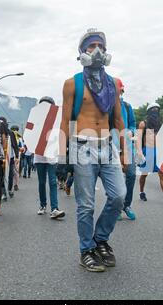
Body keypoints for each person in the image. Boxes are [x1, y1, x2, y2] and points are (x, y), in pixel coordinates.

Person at [59, 28, 126, 272]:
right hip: (81, 146)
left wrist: (125, 152)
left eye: (102, 46)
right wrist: (62, 156)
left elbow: (119, 120)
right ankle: (86, 249)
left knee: (119, 196)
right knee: (86, 205)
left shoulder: (113, 84)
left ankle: (101, 239)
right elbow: (65, 121)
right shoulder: (71, 84)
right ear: (82, 51)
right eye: (92, 46)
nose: (98, 51)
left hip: (107, 146)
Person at [34, 96, 65, 219]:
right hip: (40, 156)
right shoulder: (35, 119)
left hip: (52, 155)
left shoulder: (57, 119)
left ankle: (54, 209)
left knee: (52, 182)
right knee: (42, 182)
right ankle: (42, 205)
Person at [137, 103, 163, 204]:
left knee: (162, 173)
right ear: (149, 112)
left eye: (157, 109)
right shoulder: (143, 124)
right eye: (153, 109)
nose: (155, 111)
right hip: (147, 150)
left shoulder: (161, 125)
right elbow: (138, 139)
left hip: (159, 151)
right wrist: (139, 153)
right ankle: (141, 191)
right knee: (144, 174)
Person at [115, 79, 137, 221]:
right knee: (114, 178)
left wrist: (132, 132)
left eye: (120, 91)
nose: (119, 94)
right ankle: (115, 207)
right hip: (112, 148)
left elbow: (133, 124)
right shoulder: (106, 107)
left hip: (128, 147)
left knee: (131, 175)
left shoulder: (127, 107)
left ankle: (126, 205)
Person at [0, 117, 19, 200]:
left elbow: (15, 146)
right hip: (0, 158)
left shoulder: (11, 133)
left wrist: (17, 156)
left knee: (10, 175)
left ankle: (10, 189)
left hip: (10, 159)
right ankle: (3, 193)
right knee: (1, 176)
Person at [10, 125, 23, 191]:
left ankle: (15, 185)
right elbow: (22, 149)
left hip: (15, 156)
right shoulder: (10, 136)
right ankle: (15, 184)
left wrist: (17, 148)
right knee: (15, 171)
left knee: (15, 171)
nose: (14, 131)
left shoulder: (19, 138)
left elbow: (22, 148)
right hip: (12, 155)